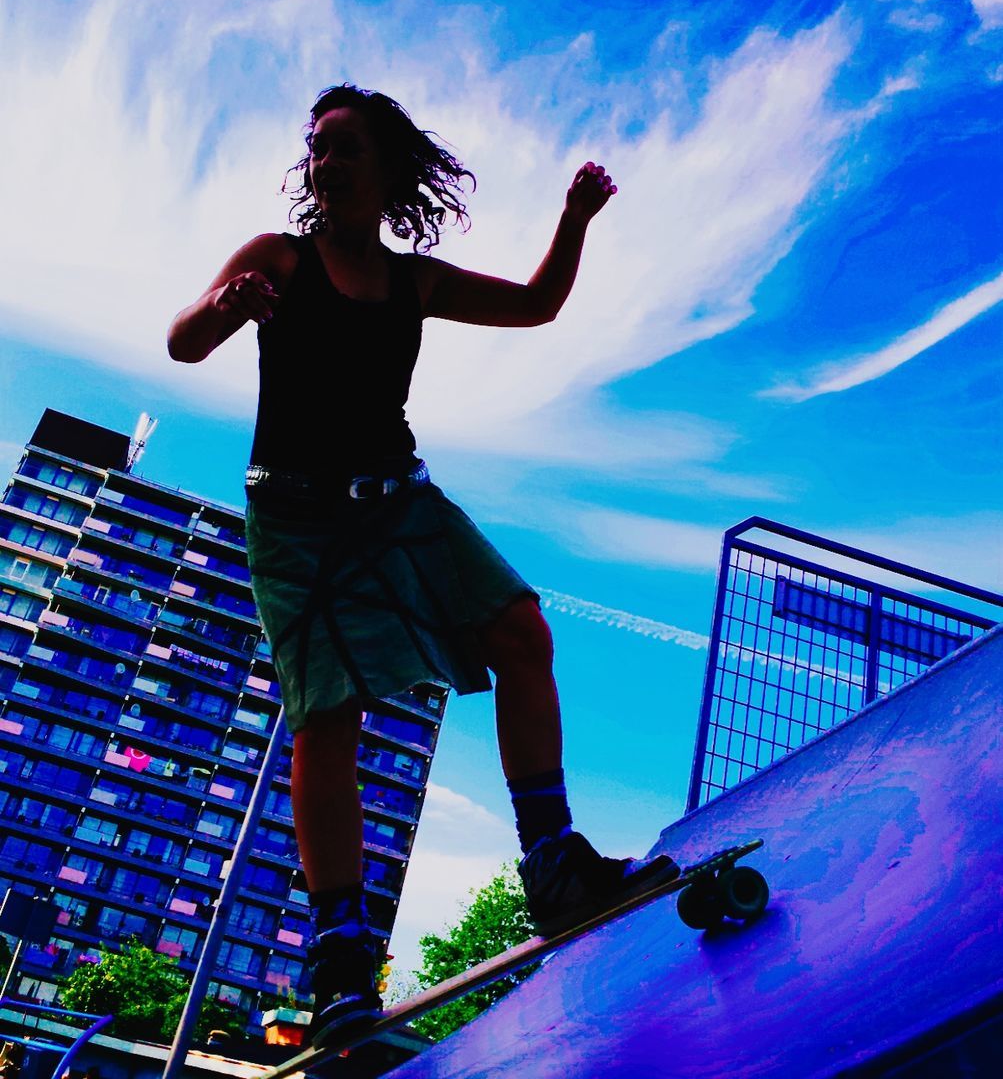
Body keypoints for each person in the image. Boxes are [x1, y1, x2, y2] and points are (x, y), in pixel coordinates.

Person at [167, 84, 678, 1040]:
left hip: (400, 503)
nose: (327, 161)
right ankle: (343, 968)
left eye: (348, 147)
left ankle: (555, 868)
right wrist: (228, 307)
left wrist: (571, 221)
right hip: (296, 522)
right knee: (328, 716)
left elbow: (535, 306)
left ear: (389, 168)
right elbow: (182, 343)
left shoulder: (418, 282)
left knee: (521, 631)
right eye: (317, 147)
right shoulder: (278, 258)